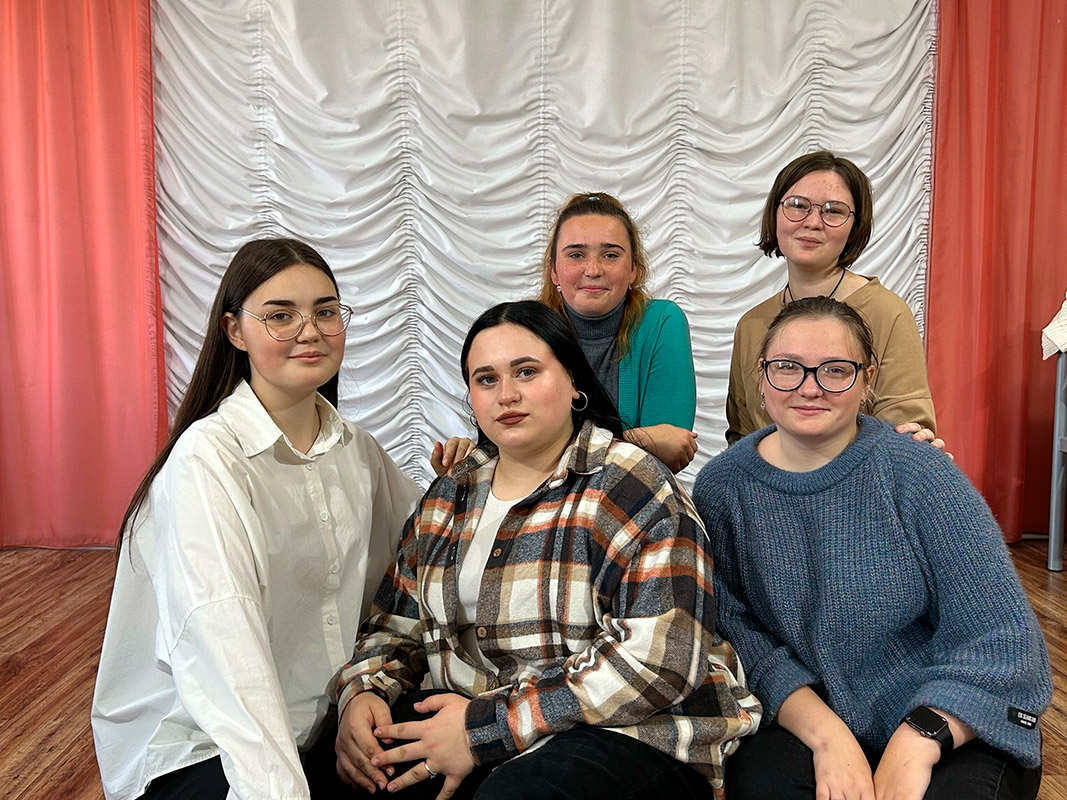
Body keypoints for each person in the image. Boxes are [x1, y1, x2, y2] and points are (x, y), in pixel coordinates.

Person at [332, 301, 761, 800]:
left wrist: (484, 728)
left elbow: (658, 662)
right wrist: (363, 692)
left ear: (574, 381)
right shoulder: (449, 495)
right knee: (360, 765)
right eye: (486, 380)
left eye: (527, 372)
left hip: (632, 730)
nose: (507, 395)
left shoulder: (631, 484)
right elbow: (395, 625)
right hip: (483, 715)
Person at [91, 238, 423, 800]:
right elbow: (225, 651)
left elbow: (427, 548)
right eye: (280, 316)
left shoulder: (357, 449)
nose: (310, 331)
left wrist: (473, 476)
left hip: (322, 727)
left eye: (325, 312)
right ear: (235, 330)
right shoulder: (206, 460)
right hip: (207, 743)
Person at [694, 296, 1050, 800]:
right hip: (801, 716)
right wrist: (827, 735)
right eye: (788, 367)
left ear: (868, 380)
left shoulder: (919, 472)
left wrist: (918, 740)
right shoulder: (721, 489)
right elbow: (737, 636)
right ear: (761, 375)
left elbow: (1004, 638)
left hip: (947, 715)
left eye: (835, 370)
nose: (809, 387)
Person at [726, 151, 939, 447]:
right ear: (774, 214)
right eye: (797, 205)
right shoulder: (751, 324)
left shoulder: (887, 312)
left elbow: (905, 436)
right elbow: (742, 438)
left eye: (833, 211)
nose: (813, 222)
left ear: (854, 228)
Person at [537, 192, 699, 473]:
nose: (593, 270)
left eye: (611, 255)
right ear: (554, 270)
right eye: (576, 255)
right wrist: (636, 439)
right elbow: (521, 451)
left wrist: (562, 450)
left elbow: (666, 458)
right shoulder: (527, 332)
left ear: (633, 268)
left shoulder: (662, 322)